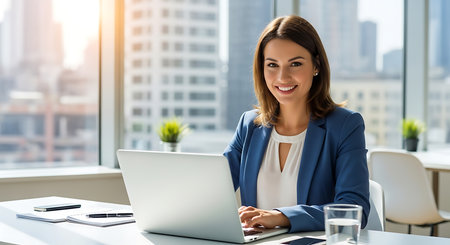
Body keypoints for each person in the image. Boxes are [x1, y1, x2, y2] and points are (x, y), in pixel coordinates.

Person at [223, 15, 370, 233]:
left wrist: (282, 217)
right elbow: (213, 189)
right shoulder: (249, 125)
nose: (282, 77)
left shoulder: (345, 126)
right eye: (272, 64)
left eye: (296, 64)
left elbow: (353, 210)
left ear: (316, 66)